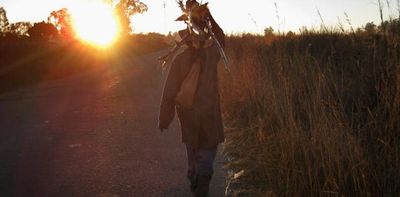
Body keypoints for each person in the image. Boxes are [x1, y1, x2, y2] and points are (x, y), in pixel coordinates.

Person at [158, 1, 225, 196]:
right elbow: (221, 38)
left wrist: (165, 118)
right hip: (210, 117)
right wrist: (208, 14)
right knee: (208, 152)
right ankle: (203, 176)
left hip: (189, 119)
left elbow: (169, 92)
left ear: (186, 40)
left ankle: (196, 177)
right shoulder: (212, 54)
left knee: (193, 152)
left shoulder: (180, 60)